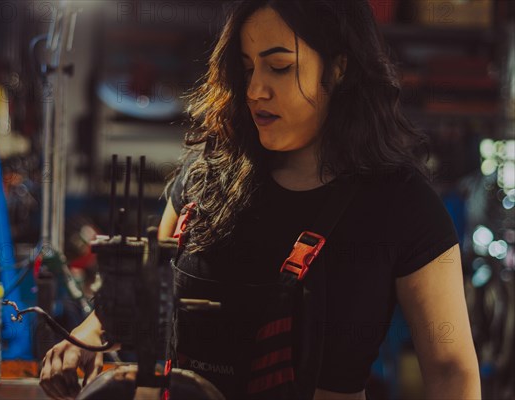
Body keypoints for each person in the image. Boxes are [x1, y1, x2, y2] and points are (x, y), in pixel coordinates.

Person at [40, 1, 481, 399]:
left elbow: (451, 371)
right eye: (248, 68)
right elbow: (149, 291)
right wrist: (90, 332)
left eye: (280, 67)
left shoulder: (403, 206)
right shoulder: (205, 180)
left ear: (339, 68)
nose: (255, 90)